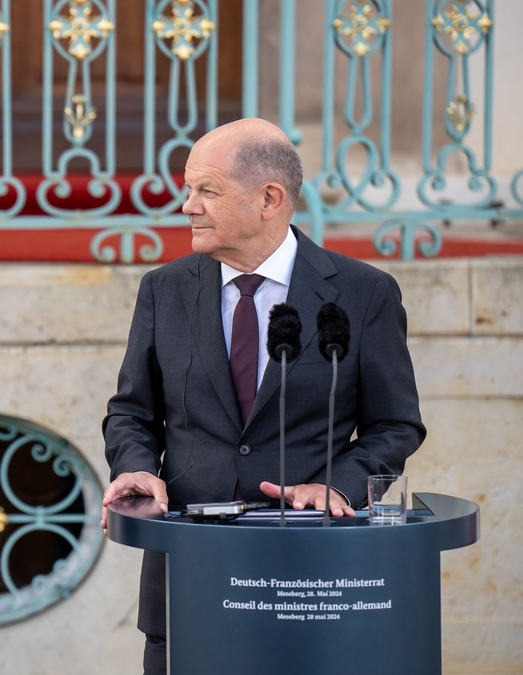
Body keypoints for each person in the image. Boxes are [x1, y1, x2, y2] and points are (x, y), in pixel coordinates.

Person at [101, 118, 425, 673]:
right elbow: (131, 412)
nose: (187, 207)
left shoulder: (364, 292)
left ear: (269, 199)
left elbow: (395, 425)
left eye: (207, 190)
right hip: (188, 578)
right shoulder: (164, 289)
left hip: (312, 583)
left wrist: (335, 486)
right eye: (187, 189)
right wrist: (135, 467)